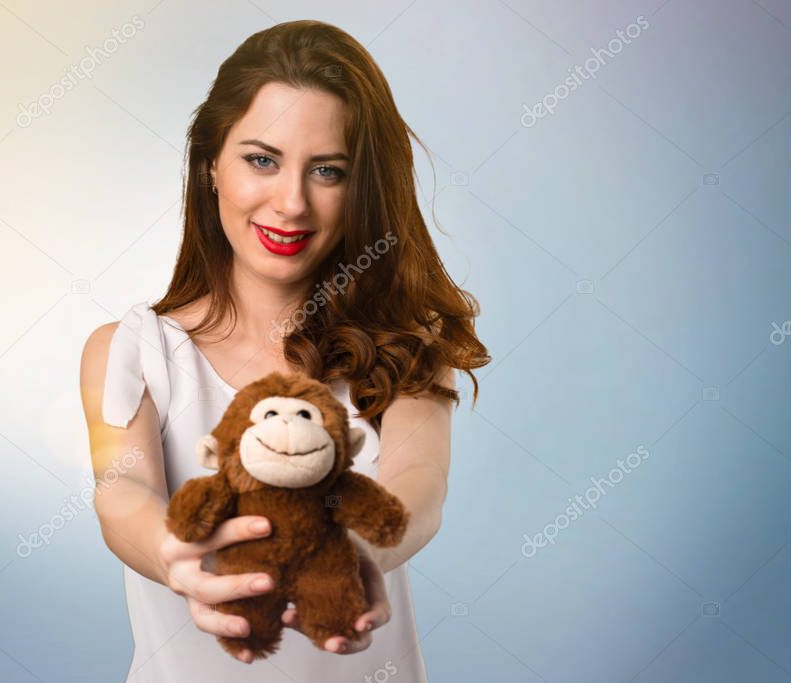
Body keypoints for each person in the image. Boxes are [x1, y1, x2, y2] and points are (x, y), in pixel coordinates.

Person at [79, 19, 489, 682]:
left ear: (362, 188)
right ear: (211, 163)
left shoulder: (405, 345)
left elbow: (420, 484)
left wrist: (361, 552)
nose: (291, 203)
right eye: (261, 159)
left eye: (327, 170)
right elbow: (122, 485)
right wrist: (174, 554)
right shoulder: (131, 350)